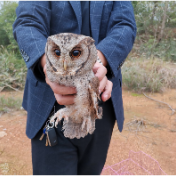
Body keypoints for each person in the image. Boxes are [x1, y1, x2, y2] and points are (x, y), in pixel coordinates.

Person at [13, 0, 136, 175]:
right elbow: (28, 23)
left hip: (101, 101)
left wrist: (96, 61)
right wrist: (49, 65)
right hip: (49, 103)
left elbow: (125, 25)